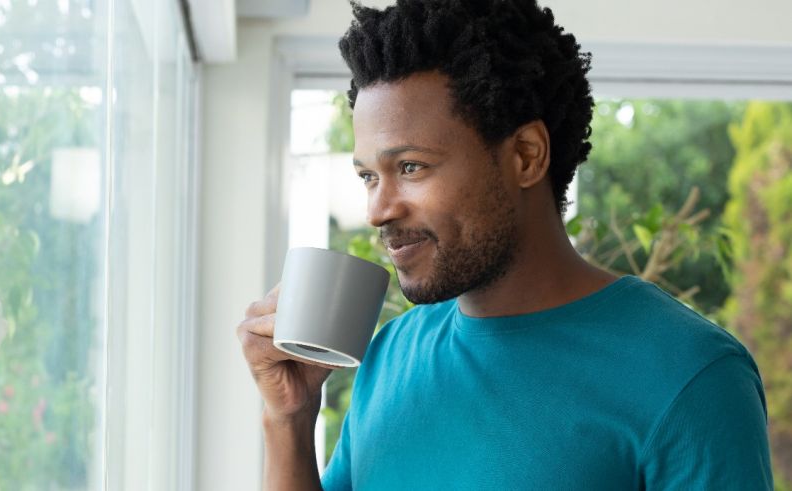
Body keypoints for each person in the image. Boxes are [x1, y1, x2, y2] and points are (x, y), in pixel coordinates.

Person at [236, 0, 773, 489]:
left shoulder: (690, 375)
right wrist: (288, 420)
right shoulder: (389, 356)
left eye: (410, 166)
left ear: (525, 155)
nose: (379, 210)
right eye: (369, 176)